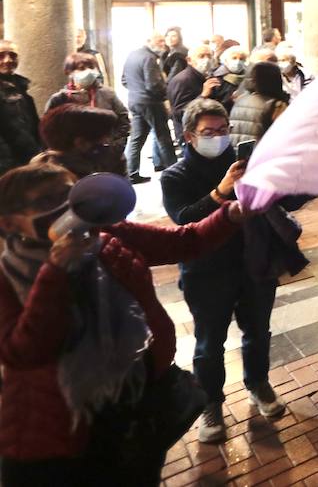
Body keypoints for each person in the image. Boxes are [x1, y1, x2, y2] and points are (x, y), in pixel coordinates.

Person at [0, 161, 249, 484]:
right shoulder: (7, 278)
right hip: (63, 424)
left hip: (136, 403)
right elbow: (23, 351)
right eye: (47, 202)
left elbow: (185, 242)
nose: (67, 208)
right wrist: (56, 273)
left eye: (70, 194)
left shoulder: (109, 235)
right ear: (9, 224)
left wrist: (230, 215)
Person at [161, 99, 304, 443]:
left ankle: (258, 383)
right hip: (206, 272)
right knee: (210, 343)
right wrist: (220, 192)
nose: (218, 138)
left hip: (255, 263)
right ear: (189, 136)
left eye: (223, 131)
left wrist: (296, 177)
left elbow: (287, 202)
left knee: (258, 331)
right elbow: (184, 219)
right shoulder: (175, 175)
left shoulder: (247, 163)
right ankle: (211, 403)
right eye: (209, 132)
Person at [45, 53, 131, 157]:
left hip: (105, 156)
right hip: (70, 157)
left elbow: (123, 120)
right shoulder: (59, 99)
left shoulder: (108, 94)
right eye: (81, 68)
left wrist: (115, 145)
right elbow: (49, 129)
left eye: (91, 67)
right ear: (69, 72)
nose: (88, 71)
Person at [120, 32, 175, 182]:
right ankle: (174, 171)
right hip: (151, 102)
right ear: (148, 41)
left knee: (136, 138)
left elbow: (124, 80)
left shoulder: (132, 55)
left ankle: (130, 173)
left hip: (135, 101)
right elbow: (153, 85)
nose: (163, 44)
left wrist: (136, 90)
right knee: (163, 137)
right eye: (159, 41)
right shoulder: (150, 58)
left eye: (163, 41)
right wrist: (165, 95)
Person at [32, 105, 128, 178]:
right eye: (105, 137)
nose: (108, 142)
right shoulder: (52, 180)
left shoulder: (111, 159)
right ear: (81, 143)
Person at [0, 41, 41, 176]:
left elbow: (31, 124)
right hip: (8, 166)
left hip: (26, 161)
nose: (7, 60)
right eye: (1, 56)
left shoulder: (19, 86)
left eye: (12, 55)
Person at [167, 44, 220, 147]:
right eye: (201, 56)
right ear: (189, 60)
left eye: (209, 56)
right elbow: (179, 113)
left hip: (207, 131)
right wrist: (203, 96)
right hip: (191, 136)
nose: (206, 60)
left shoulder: (207, 76)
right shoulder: (182, 80)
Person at [228, 63, 290, 148]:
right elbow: (285, 134)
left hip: (238, 153)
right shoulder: (277, 105)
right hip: (262, 154)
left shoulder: (240, 100)